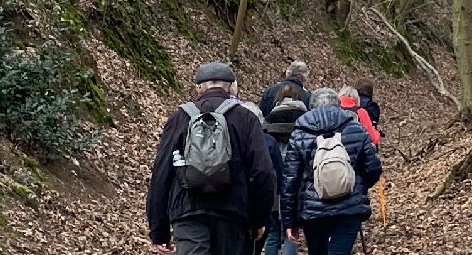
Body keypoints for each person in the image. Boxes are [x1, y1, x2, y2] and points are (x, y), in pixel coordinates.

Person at [147, 63, 278, 255]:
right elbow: (264, 172)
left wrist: (159, 230)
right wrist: (258, 219)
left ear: (198, 87)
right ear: (231, 87)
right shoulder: (247, 118)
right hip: (232, 213)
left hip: (187, 211)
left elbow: (161, 173)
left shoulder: (180, 118)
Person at [280, 88, 383, 255]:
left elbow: (290, 180)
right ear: (338, 105)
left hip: (313, 211)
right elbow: (373, 167)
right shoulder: (355, 128)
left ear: (311, 107)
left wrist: (289, 222)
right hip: (349, 207)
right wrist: (357, 186)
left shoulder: (300, 133)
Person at [257, 87, 307, 255]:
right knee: (292, 230)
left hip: (274, 181)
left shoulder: (269, 120)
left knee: (272, 232)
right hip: (296, 181)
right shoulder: (306, 120)